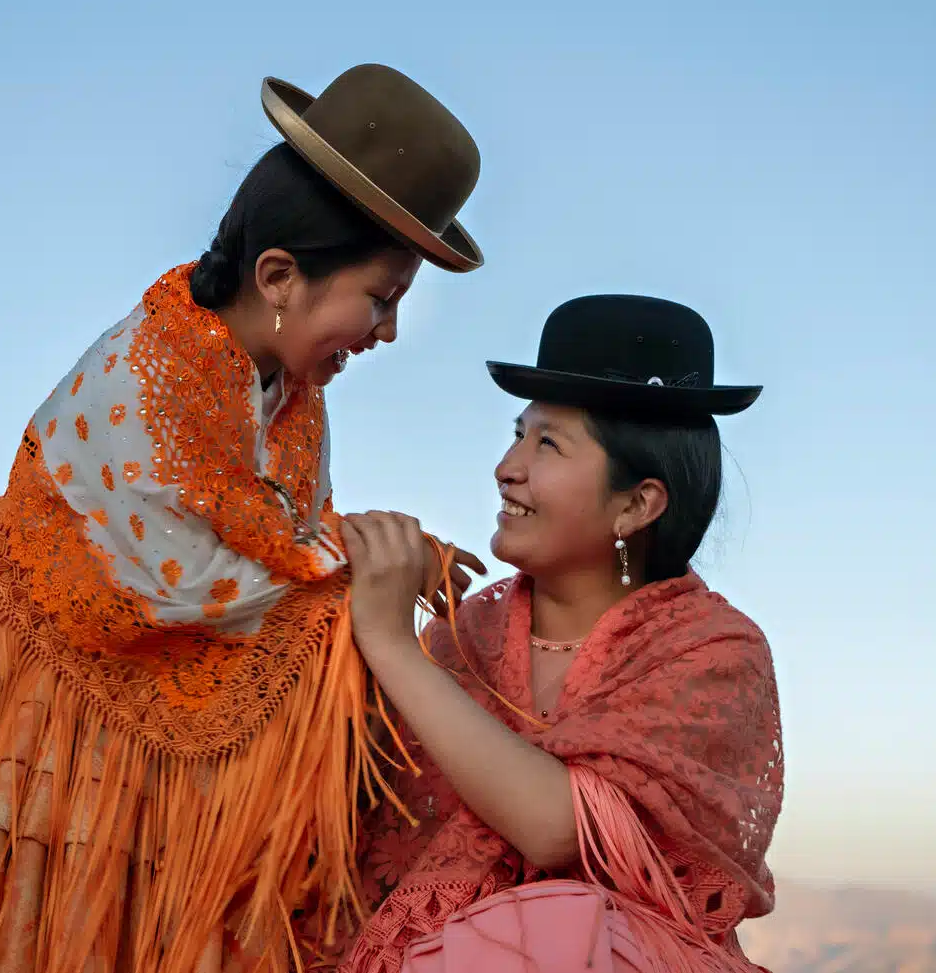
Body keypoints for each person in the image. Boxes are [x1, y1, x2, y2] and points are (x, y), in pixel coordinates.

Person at [0, 64, 487, 973]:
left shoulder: (284, 401)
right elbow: (200, 576)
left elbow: (265, 538)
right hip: (24, 694)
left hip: (93, 725)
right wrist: (379, 565)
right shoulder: (161, 377)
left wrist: (369, 560)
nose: (387, 332)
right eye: (382, 298)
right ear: (280, 275)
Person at [336, 294, 784, 972]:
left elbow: (556, 829)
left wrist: (394, 644)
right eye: (519, 432)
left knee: (559, 923)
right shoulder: (466, 637)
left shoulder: (713, 653)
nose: (507, 465)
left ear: (637, 504)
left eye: (547, 443)